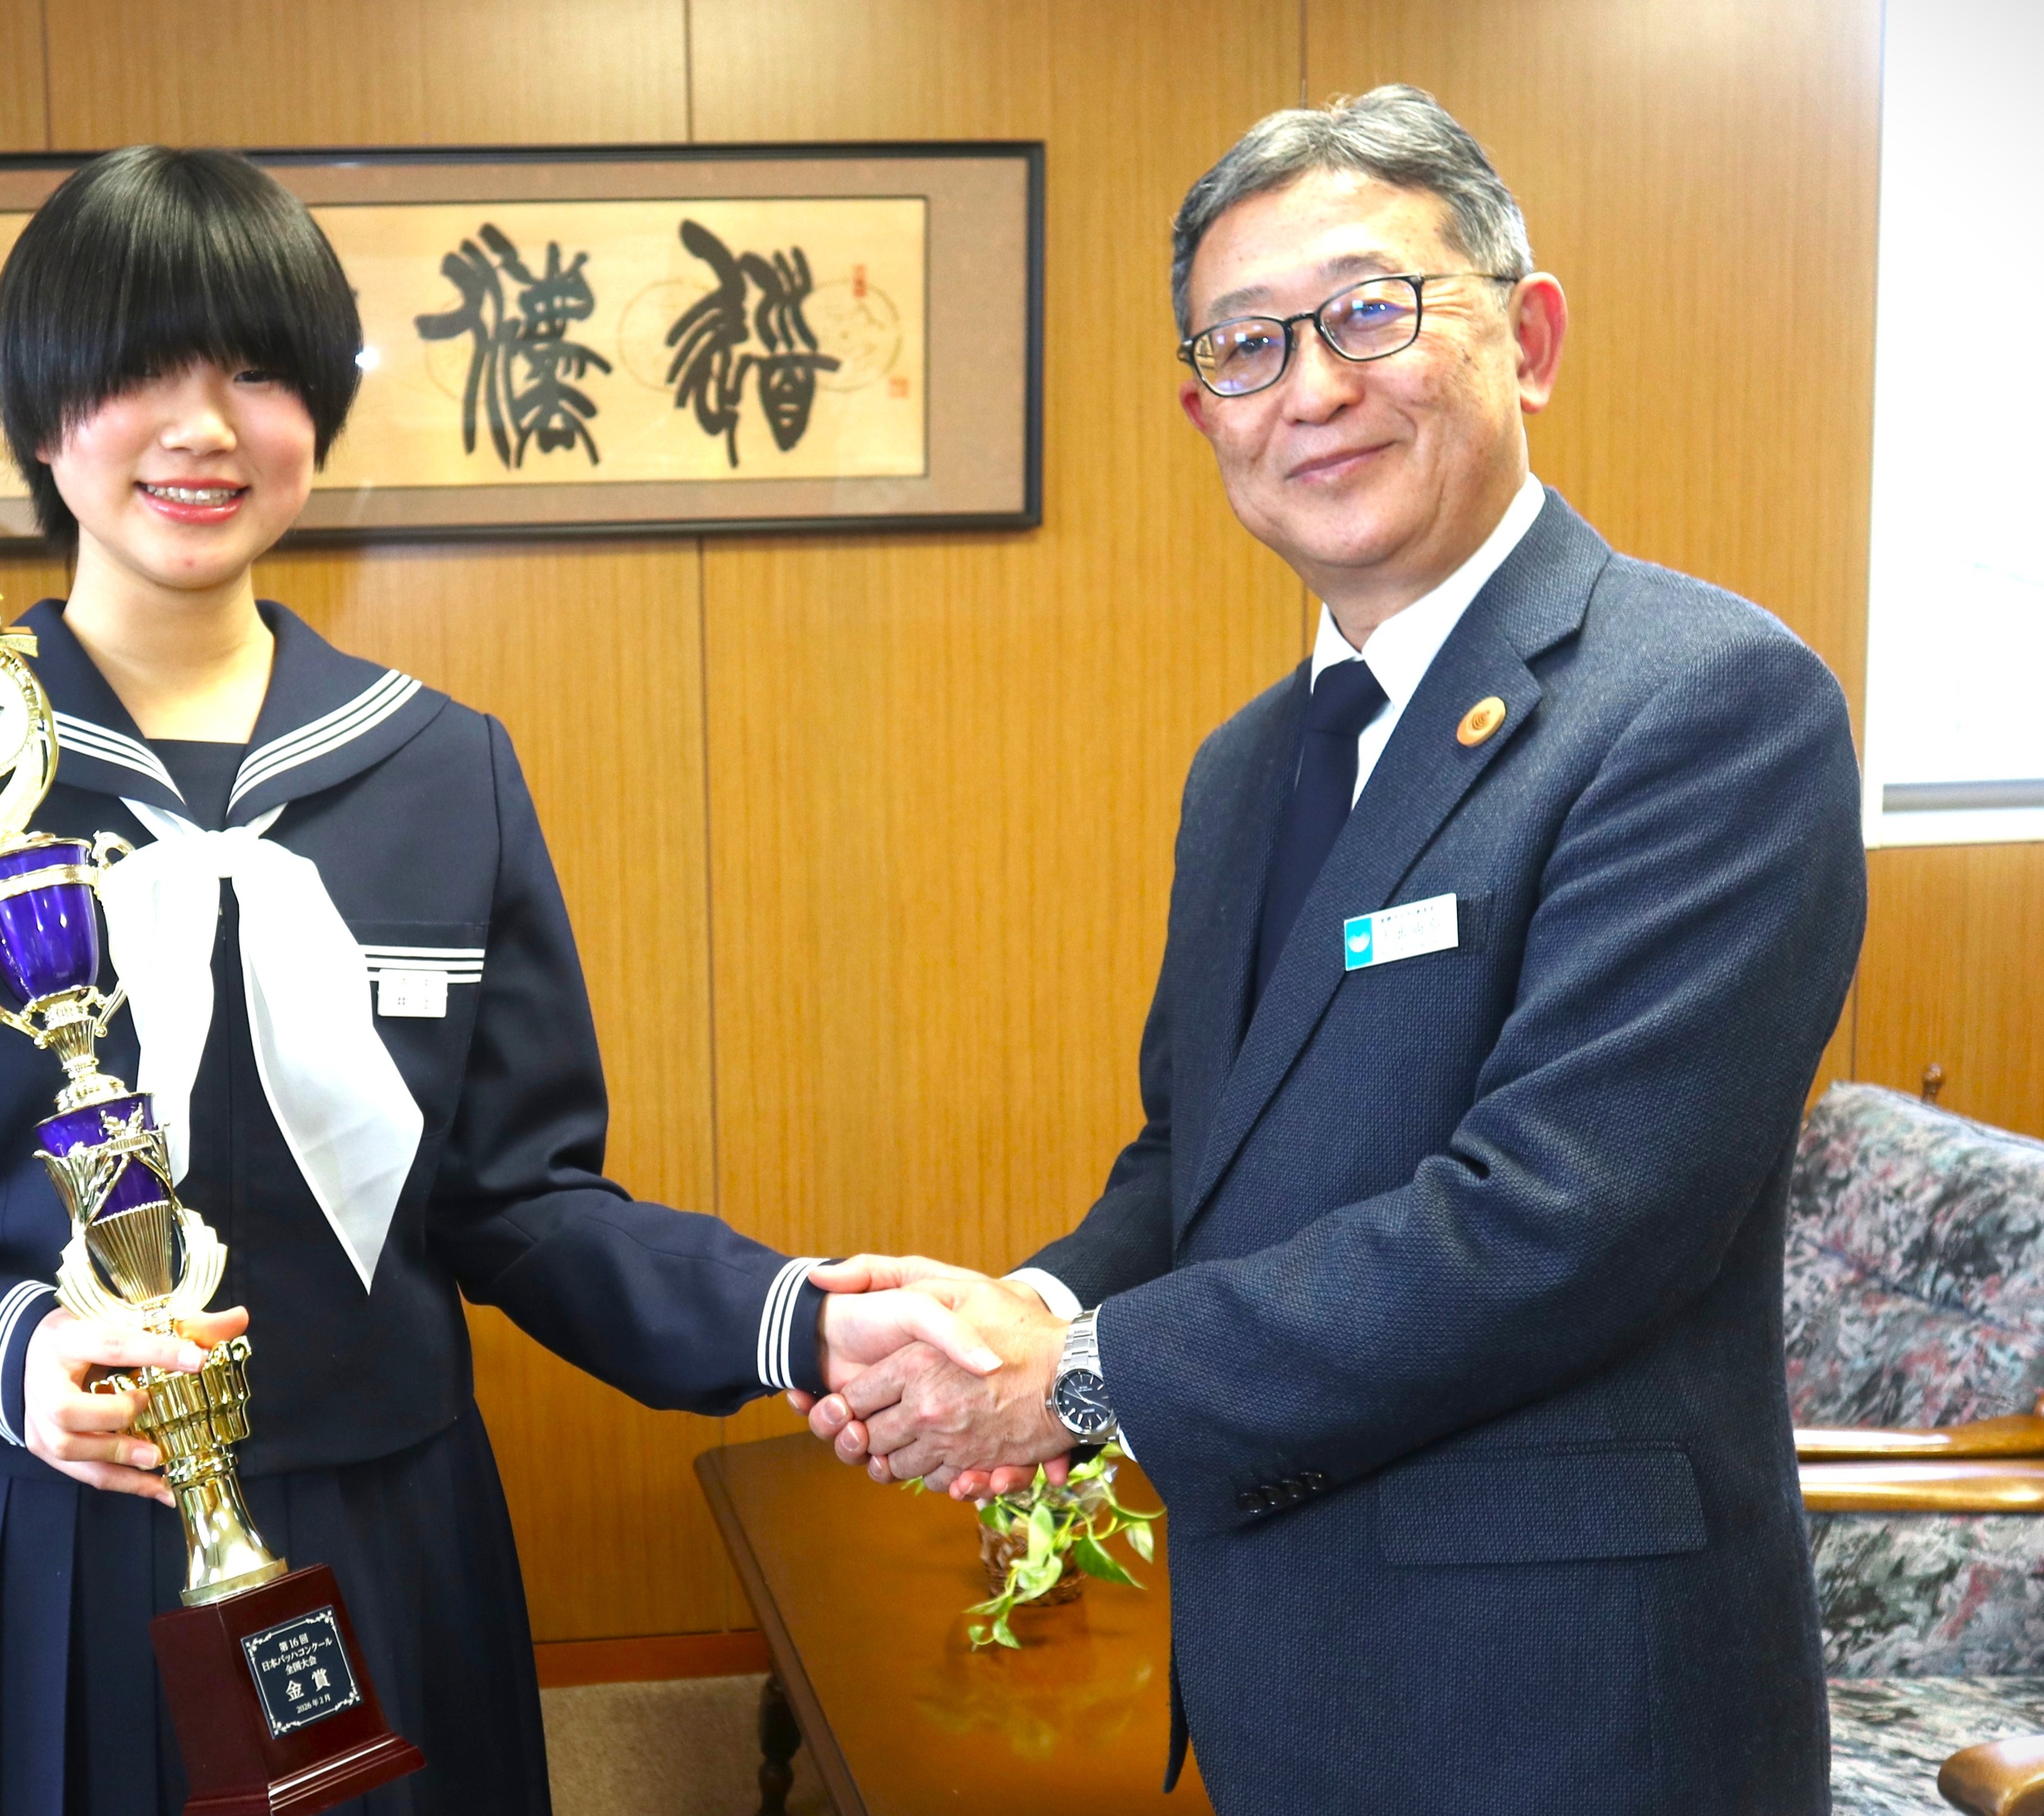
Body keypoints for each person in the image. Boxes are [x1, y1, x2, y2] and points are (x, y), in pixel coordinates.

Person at [0, 145, 979, 1816]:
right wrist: (4, 1352)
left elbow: (523, 1204)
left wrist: (799, 1317)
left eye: (257, 372)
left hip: (384, 1524)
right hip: (41, 1533)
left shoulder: (445, 770)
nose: (202, 427)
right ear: (39, 418)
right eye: (139, 371)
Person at [797, 86, 1863, 1813]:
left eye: (1370, 311)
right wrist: (1022, 1308)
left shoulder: (1704, 704)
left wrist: (1073, 1382)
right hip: (1290, 1670)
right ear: (1202, 410)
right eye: (1246, 344)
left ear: (1529, 339)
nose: (1310, 387)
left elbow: (1558, 1219)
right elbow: (1196, 1159)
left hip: (1572, 1712)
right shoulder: (1249, 766)